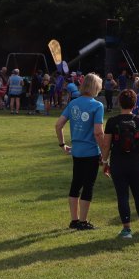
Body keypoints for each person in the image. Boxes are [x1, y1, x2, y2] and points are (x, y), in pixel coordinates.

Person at [54, 73, 105, 230]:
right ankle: (83, 222)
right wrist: (105, 151)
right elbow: (98, 132)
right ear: (96, 87)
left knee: (76, 184)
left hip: (77, 152)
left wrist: (63, 145)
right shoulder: (97, 105)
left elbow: (58, 125)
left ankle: (74, 220)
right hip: (91, 152)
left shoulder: (73, 103)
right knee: (88, 185)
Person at [101, 89, 139, 238]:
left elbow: (106, 144)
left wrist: (105, 162)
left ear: (118, 103)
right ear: (135, 104)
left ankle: (126, 228)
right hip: (136, 161)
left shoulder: (112, 121)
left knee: (122, 196)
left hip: (118, 162)